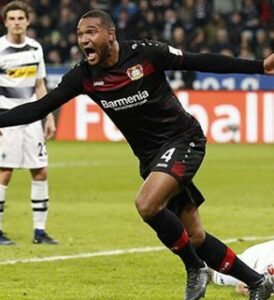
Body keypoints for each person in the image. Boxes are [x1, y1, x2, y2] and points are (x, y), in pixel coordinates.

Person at [0, 9, 273, 299]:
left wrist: (259, 67)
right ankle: (257, 282)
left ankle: (195, 268)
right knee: (194, 236)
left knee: (147, 203)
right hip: (151, 158)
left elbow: (200, 60)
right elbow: (38, 108)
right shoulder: (84, 75)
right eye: (80, 34)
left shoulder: (146, 54)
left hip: (183, 140)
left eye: (91, 32)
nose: (83, 40)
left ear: (110, 34)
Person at [0, 1, 58, 245]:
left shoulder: (35, 48)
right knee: (4, 173)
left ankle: (39, 232)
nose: (16, 23)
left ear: (27, 21)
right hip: (6, 118)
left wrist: (49, 116)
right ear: (5, 22)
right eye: (12, 19)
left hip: (32, 119)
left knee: (41, 171)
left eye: (20, 18)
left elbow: (40, 85)